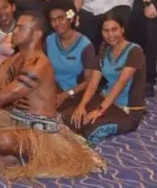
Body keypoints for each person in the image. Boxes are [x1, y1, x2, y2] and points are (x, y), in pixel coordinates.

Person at [0, 11, 105, 180]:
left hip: (40, 133)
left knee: (2, 141)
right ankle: (12, 153)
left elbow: (0, 99)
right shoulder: (15, 59)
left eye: (20, 28)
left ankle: (13, 152)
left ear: (36, 34)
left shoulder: (38, 65)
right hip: (15, 121)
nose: (14, 31)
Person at [62, 13, 146, 144]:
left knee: (91, 130)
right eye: (106, 30)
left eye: (114, 29)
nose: (110, 35)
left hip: (127, 111)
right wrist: (81, 106)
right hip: (105, 101)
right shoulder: (103, 50)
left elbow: (121, 83)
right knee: (68, 119)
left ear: (122, 29)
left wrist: (99, 111)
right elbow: (93, 83)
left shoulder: (135, 51)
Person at [44, 0, 101, 113]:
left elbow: (88, 81)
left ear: (70, 18)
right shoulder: (48, 40)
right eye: (53, 20)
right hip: (53, 88)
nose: (57, 23)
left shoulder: (85, 45)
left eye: (61, 18)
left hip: (74, 93)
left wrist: (66, 94)